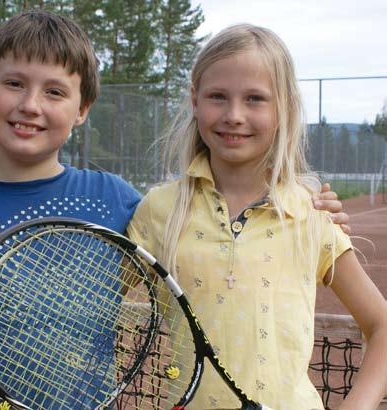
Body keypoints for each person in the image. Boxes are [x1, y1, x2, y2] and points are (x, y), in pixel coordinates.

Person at [0, 10, 349, 410]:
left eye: (54, 92)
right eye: (14, 84)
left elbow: (199, 227)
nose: (30, 105)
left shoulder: (118, 202)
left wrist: (309, 199)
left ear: (82, 109)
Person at [127, 24, 387, 410]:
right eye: (218, 96)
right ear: (194, 100)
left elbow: (381, 324)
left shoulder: (312, 214)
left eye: (254, 99)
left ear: (284, 109)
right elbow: (93, 306)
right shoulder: (159, 209)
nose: (234, 115)